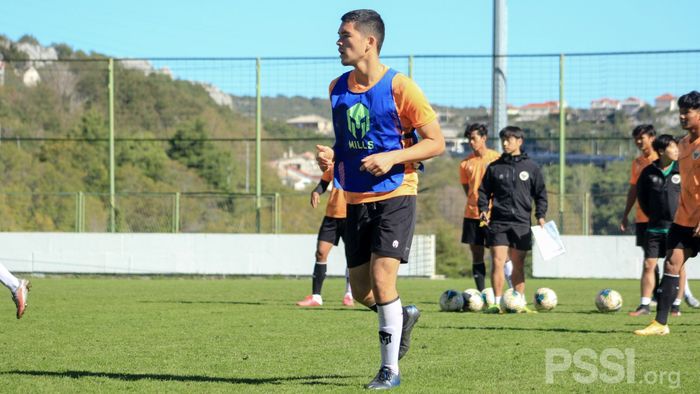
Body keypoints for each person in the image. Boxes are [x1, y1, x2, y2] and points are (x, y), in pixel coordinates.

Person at [316, 9, 445, 389]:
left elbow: (435, 143)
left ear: (369, 42)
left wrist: (392, 157)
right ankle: (401, 315)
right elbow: (347, 145)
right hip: (355, 199)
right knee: (360, 291)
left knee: (382, 276)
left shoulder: (401, 87)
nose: (338, 42)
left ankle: (390, 370)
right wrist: (331, 158)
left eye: (345, 36)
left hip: (396, 194)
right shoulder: (336, 88)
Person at [635, 90, 700, 336]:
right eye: (680, 111)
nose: (682, 116)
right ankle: (661, 323)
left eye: (688, 112)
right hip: (684, 219)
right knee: (672, 262)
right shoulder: (682, 145)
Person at [478, 126, 547, 314]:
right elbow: (483, 191)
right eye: (503, 140)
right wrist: (483, 209)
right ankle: (497, 303)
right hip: (499, 222)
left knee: (518, 263)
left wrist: (540, 215)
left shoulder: (531, 167)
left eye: (509, 139)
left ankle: (519, 302)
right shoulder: (495, 167)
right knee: (498, 261)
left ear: (519, 141)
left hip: (522, 223)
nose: (505, 143)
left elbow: (540, 194)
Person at [630, 134, 690, 316]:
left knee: (678, 266)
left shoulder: (682, 169)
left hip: (678, 226)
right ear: (662, 151)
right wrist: (654, 216)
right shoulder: (648, 172)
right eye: (673, 147)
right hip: (655, 227)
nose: (676, 151)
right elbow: (642, 199)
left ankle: (676, 305)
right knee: (649, 264)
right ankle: (645, 305)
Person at [458, 123, 513, 291]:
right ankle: (482, 294)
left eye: (474, 138)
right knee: (477, 255)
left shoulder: (497, 159)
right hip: (472, 215)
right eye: (469, 139)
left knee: (502, 255)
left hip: (493, 215)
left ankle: (513, 292)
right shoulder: (465, 164)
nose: (471, 142)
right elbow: (468, 190)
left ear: (484, 138)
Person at [297, 165, 354, 307]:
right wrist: (316, 192)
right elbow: (323, 183)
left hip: (352, 215)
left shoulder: (357, 161)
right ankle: (316, 297)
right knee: (321, 253)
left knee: (352, 256)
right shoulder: (333, 165)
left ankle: (349, 294)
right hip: (331, 216)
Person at [620, 125, 661, 303]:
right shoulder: (637, 162)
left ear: (652, 137)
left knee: (671, 258)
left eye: (641, 138)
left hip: (662, 218)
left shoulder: (662, 159)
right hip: (643, 218)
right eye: (636, 138)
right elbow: (633, 189)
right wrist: (625, 214)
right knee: (650, 258)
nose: (638, 142)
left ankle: (678, 297)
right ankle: (656, 295)